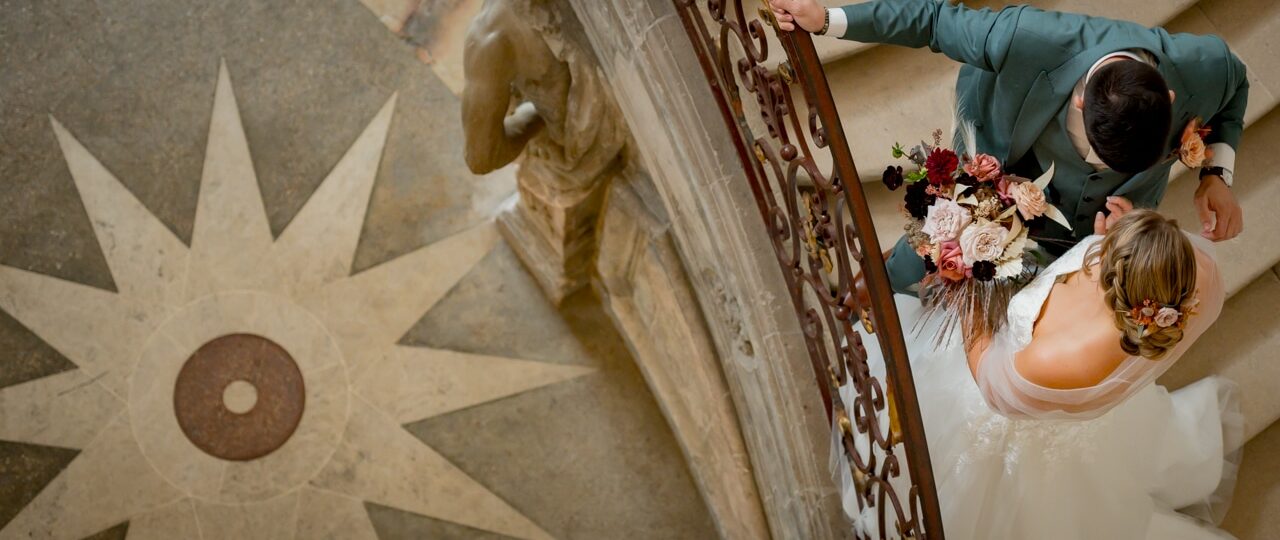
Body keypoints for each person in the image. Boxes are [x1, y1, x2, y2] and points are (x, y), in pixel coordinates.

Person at [771, 0, 1248, 294]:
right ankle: (875, 290)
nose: (1098, 166)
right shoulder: (1028, 38)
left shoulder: (1203, 68)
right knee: (933, 245)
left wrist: (1216, 175)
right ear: (1080, 99)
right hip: (1000, 162)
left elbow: (1237, 87)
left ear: (1170, 98)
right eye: (1099, 153)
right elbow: (933, 21)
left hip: (1095, 227)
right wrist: (827, 19)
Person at [838, 206, 1241, 539]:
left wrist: (968, 285)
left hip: (1003, 413)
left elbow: (990, 383)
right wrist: (1125, 236)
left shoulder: (1062, 356)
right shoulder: (1184, 283)